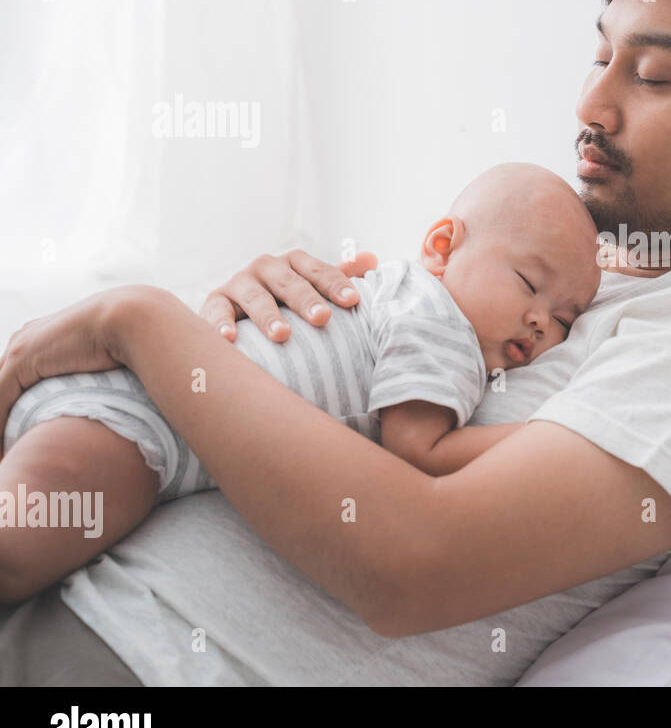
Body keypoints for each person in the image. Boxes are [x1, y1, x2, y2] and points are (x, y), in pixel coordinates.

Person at [0, 0, 671, 685]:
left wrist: (143, 326)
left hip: (125, 663)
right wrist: (246, 333)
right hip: (68, 573)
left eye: (652, 77)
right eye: (599, 56)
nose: (593, 103)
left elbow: (413, 565)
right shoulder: (545, 252)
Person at [0, 163, 602, 602]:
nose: (539, 321)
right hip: (138, 421)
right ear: (442, 247)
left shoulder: (389, 292)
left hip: (119, 392)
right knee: (15, 558)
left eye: (564, 319)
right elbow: (420, 450)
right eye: (528, 283)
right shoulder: (445, 329)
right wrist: (553, 434)